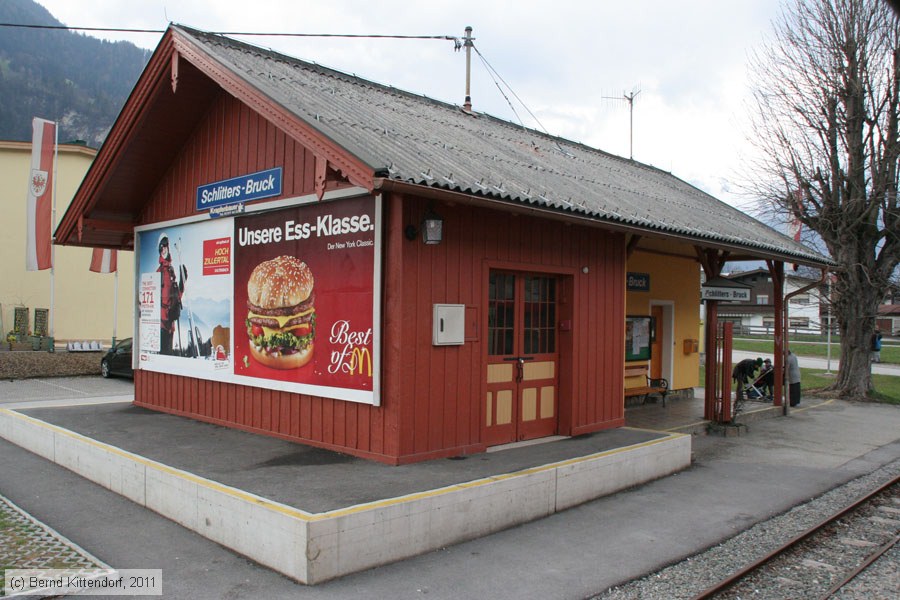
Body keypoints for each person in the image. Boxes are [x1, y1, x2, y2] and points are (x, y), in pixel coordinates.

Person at [157, 233, 186, 355]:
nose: (164, 250)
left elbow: (176, 296)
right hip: (162, 323)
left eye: (166, 247)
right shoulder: (159, 272)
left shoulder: (171, 270)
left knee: (168, 354)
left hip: (171, 322)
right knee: (163, 353)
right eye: (162, 248)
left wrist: (182, 283)